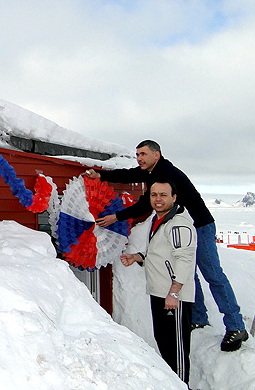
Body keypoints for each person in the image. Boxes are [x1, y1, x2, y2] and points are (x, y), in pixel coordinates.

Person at [85, 140, 248, 352]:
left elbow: (145, 204)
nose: (140, 158)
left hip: (200, 226)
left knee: (213, 275)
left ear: (157, 155)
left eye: (143, 154)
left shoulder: (166, 175)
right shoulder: (153, 172)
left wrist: (116, 216)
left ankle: (236, 326)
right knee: (189, 274)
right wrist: (101, 175)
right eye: (137, 154)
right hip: (181, 227)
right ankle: (198, 319)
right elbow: (132, 174)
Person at [121, 179, 196, 386]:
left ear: (174, 197)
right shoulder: (159, 219)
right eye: (154, 195)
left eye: (163, 195)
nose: (158, 199)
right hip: (160, 294)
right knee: (164, 343)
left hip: (173, 297)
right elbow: (161, 253)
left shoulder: (179, 224)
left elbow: (185, 259)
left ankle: (182, 386)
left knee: (177, 350)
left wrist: (174, 293)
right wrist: (137, 257)